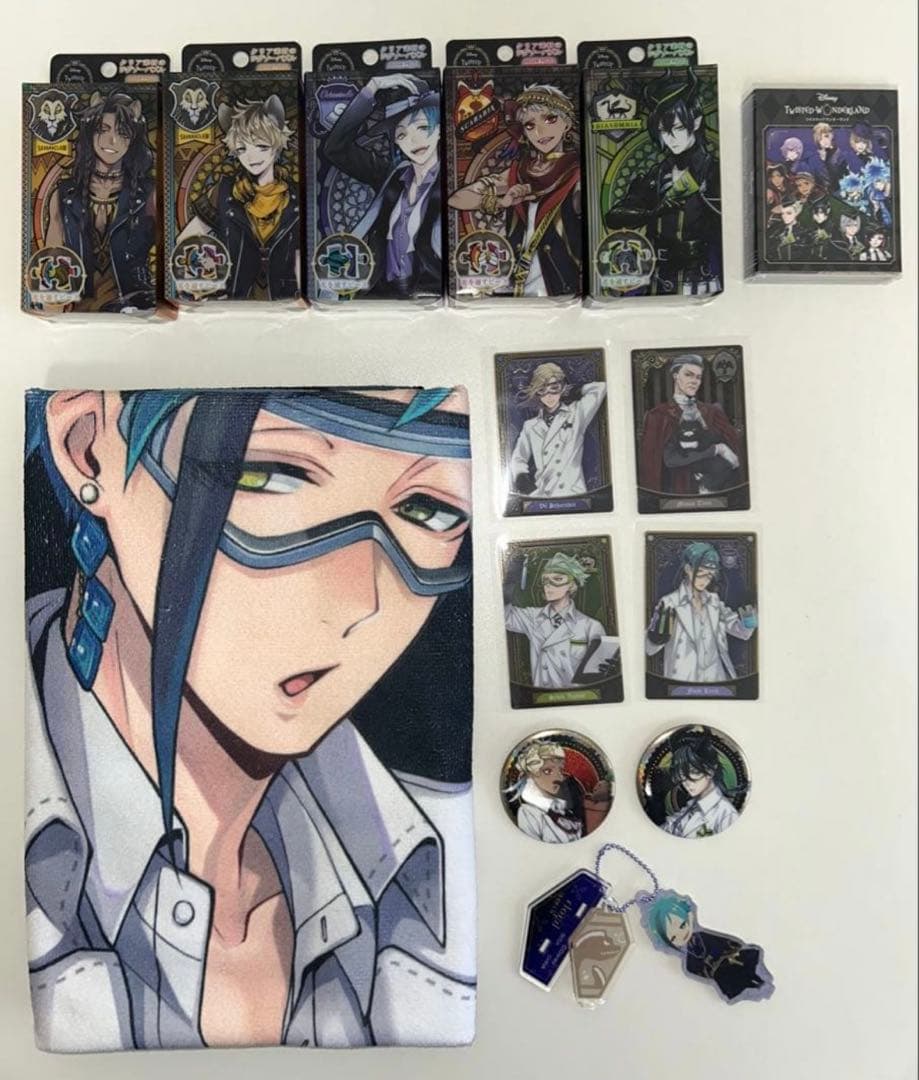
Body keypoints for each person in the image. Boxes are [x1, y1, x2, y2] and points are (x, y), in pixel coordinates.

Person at [24, 387, 475, 1050]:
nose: (357, 599)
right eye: (271, 475)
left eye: (430, 510)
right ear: (88, 447)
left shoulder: (442, 865)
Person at [448, 83, 581, 297]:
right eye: (530, 125)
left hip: (561, 283)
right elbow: (457, 199)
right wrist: (500, 202)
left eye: (550, 119)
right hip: (513, 283)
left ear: (567, 123)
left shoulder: (577, 170)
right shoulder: (519, 171)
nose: (540, 131)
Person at [320, 74, 442, 298]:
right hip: (380, 296)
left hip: (430, 295)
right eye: (402, 134)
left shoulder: (451, 180)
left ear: (439, 129)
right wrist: (371, 89)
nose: (413, 141)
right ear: (395, 141)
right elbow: (335, 148)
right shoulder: (392, 176)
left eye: (422, 127)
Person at [604, 67, 721, 296]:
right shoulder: (656, 174)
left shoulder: (713, 171)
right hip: (658, 275)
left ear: (696, 121)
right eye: (664, 131)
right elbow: (614, 216)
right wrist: (653, 212)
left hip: (700, 276)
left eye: (678, 128)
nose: (671, 139)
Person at [176, 96, 299, 300]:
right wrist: (202, 283)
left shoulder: (295, 197)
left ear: (277, 144)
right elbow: (186, 240)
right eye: (242, 149)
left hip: (283, 302)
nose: (251, 157)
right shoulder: (224, 192)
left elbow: (299, 256)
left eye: (261, 146)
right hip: (233, 299)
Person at [44, 90, 155, 312]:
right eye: (103, 130)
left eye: (122, 133)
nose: (112, 140)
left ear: (133, 139)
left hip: (135, 309)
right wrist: (52, 313)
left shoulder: (149, 193)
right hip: (78, 310)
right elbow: (51, 261)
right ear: (90, 134)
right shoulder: (64, 195)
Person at [646, 542, 757, 684]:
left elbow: (743, 633)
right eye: (700, 573)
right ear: (688, 569)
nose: (704, 580)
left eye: (709, 575)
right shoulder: (669, 602)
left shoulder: (714, 601)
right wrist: (656, 637)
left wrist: (750, 615)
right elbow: (649, 649)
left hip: (716, 680)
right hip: (683, 680)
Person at [638, 354, 742, 497]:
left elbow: (736, 455)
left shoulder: (712, 412)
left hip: (716, 490)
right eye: (688, 375)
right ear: (676, 376)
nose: (694, 381)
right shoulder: (658, 416)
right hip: (677, 491)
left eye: (698, 377)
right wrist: (717, 449)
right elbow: (656, 464)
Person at [642, 893, 774, 1003]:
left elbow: (728, 943)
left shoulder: (705, 936)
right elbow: (702, 974)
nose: (682, 934)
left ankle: (761, 983)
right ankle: (755, 987)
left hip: (735, 961)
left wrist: (732, 953)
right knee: (733, 980)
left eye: (682, 925)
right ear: (668, 944)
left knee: (745, 967)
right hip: (724, 976)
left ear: (690, 917)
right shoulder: (688, 964)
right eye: (674, 938)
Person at [504, 552, 605, 690]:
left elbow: (597, 676)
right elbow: (503, 616)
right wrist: (510, 581)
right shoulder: (532, 617)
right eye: (545, 580)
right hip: (542, 697)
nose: (549, 585)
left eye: (557, 579)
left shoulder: (591, 626)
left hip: (578, 697)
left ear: (571, 585)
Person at [508, 362, 607, 498]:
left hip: (573, 493)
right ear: (537, 392)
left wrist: (574, 390)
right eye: (542, 390)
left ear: (562, 387)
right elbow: (518, 458)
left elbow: (601, 388)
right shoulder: (530, 426)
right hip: (542, 495)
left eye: (554, 388)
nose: (549, 395)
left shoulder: (576, 413)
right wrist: (525, 484)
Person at [661, 732, 740, 838]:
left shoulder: (726, 814)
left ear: (710, 770)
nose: (686, 782)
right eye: (681, 775)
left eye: (693, 772)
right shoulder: (689, 808)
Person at [506, 743, 587, 843]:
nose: (559, 777)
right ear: (532, 775)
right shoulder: (528, 813)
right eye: (548, 771)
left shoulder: (565, 809)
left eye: (560, 770)